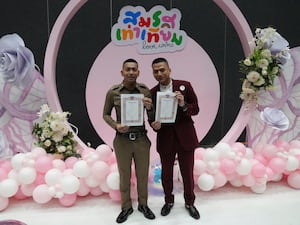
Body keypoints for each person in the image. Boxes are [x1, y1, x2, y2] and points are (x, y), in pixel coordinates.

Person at [103, 58, 156, 223]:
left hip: (141, 140)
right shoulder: (113, 92)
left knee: (142, 175)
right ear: (122, 72)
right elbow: (105, 114)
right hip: (122, 140)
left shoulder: (145, 91)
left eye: (134, 69)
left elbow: (152, 119)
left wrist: (150, 108)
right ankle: (126, 207)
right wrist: (115, 125)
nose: (131, 72)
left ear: (138, 72)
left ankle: (143, 205)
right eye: (128, 69)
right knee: (124, 175)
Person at [150, 57, 200, 219]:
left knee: (187, 172)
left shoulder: (184, 86)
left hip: (185, 136)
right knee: (166, 173)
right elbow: (150, 116)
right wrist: (153, 124)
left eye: (162, 69)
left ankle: (190, 202)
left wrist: (183, 104)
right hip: (165, 137)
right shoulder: (152, 92)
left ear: (169, 70)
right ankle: (168, 201)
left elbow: (196, 109)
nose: (159, 73)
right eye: (156, 71)